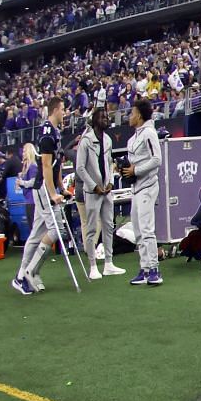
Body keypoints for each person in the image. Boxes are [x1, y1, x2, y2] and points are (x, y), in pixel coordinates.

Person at [11, 97, 69, 296]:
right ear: (54, 110)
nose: (65, 113)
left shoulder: (56, 133)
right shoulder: (47, 132)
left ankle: (21, 277)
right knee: (56, 230)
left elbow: (57, 164)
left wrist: (61, 187)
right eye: (62, 109)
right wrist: (53, 193)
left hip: (46, 188)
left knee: (36, 234)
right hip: (43, 189)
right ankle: (30, 271)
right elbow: (45, 165)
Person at [74, 105, 123, 280]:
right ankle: (93, 265)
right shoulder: (86, 141)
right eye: (103, 118)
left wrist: (110, 182)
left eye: (107, 117)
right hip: (92, 191)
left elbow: (109, 163)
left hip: (107, 191)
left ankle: (109, 263)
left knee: (109, 226)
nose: (106, 120)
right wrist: (93, 185)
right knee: (92, 229)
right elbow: (80, 168)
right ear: (95, 121)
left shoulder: (108, 140)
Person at [120, 100, 163, 286]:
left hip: (148, 185)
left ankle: (154, 269)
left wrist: (135, 171)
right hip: (136, 187)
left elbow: (157, 159)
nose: (130, 116)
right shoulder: (134, 138)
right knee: (137, 229)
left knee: (146, 228)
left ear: (139, 115)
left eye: (132, 113)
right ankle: (145, 268)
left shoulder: (149, 133)